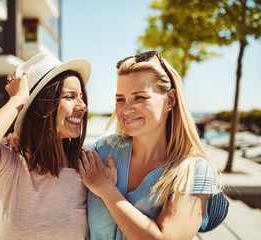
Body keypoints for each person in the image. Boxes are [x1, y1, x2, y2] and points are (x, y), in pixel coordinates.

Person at [79, 50, 229, 240]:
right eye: (120, 99)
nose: (126, 109)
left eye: (140, 97)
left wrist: (105, 189)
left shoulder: (192, 171)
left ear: (171, 100)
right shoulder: (103, 149)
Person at [0, 52, 91, 240]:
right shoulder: (12, 160)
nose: (83, 106)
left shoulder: (86, 166)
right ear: (41, 104)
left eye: (81, 96)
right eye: (69, 96)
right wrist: (17, 100)